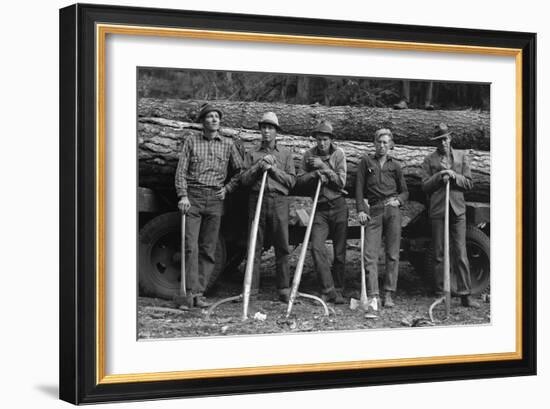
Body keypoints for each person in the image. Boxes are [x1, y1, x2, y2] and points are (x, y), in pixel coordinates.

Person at [174, 103, 244, 308]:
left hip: (215, 198)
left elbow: (240, 171)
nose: (214, 119)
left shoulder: (228, 144)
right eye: (210, 116)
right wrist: (183, 195)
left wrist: (228, 189)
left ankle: (199, 294)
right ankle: (187, 295)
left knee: (208, 248)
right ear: (203, 121)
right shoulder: (191, 141)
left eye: (217, 117)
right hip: (193, 198)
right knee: (189, 246)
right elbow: (181, 171)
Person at [421, 123, 480, 308]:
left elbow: (469, 183)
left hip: (458, 211)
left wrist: (454, 176)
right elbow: (424, 186)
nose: (443, 143)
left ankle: (465, 294)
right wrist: (440, 177)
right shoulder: (429, 160)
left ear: (450, 138)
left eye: (445, 139)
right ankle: (440, 293)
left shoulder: (461, 157)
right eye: (439, 140)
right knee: (438, 252)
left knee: (460, 251)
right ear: (436, 143)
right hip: (438, 210)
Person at [240, 112, 296, 302]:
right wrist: (259, 166)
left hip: (279, 202)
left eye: (270, 127)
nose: (266, 131)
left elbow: (291, 181)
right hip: (257, 200)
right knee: (254, 246)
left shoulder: (286, 154)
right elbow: (244, 180)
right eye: (264, 127)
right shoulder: (252, 153)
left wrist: (273, 170)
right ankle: (251, 290)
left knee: (282, 246)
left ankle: (284, 289)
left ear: (276, 131)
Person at [355, 128, 408, 308]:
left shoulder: (395, 166)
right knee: (369, 254)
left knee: (392, 253)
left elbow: (405, 191)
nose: (382, 145)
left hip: (392, 210)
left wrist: (399, 201)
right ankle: (374, 295)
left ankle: (389, 293)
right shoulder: (366, 162)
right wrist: (361, 210)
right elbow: (359, 189)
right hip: (374, 210)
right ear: (374, 143)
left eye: (386, 142)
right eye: (379, 142)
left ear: (390, 145)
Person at [296, 121, 347, 304]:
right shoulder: (309, 155)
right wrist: (313, 174)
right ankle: (328, 289)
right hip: (320, 208)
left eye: (325, 139)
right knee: (316, 247)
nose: (322, 143)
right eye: (319, 139)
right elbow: (299, 180)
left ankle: (339, 289)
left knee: (340, 251)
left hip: (338, 205)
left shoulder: (338, 154)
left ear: (331, 139)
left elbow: (341, 182)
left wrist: (323, 166)